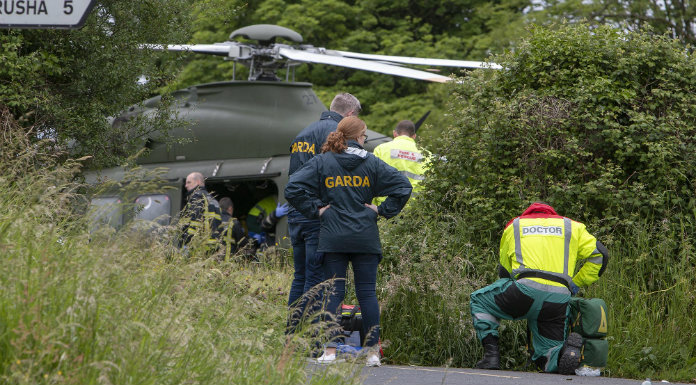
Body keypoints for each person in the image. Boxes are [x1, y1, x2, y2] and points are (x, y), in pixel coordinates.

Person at [285, 116, 412, 367]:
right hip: (365, 236)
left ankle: (330, 352)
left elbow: (292, 187)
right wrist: (381, 210)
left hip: (333, 237)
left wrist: (316, 210)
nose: (365, 139)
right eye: (364, 135)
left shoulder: (323, 162)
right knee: (367, 294)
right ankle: (373, 353)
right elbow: (403, 186)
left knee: (333, 294)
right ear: (358, 136)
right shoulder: (372, 163)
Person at [470, 202, 609, 374]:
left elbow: (504, 272)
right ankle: (565, 352)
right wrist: (576, 283)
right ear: (553, 215)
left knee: (479, 300)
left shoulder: (515, 225)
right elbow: (601, 255)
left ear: (527, 214)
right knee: (547, 355)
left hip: (524, 290)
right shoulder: (572, 227)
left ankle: (491, 356)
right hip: (558, 298)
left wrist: (515, 299)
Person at [286, 93, 362, 323]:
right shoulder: (337, 135)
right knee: (316, 279)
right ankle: (311, 338)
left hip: (295, 213)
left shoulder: (303, 133)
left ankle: (292, 332)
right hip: (317, 214)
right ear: (349, 114)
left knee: (299, 277)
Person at [372, 120, 427, 206]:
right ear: (414, 136)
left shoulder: (381, 149)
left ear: (394, 133)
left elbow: (372, 178)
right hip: (415, 209)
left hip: (385, 206)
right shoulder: (425, 154)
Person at [179, 172, 222, 253]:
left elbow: (194, 223)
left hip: (200, 246)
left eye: (189, 182)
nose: (186, 186)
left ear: (198, 182)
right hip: (214, 246)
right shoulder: (214, 200)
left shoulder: (197, 197)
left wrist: (185, 242)